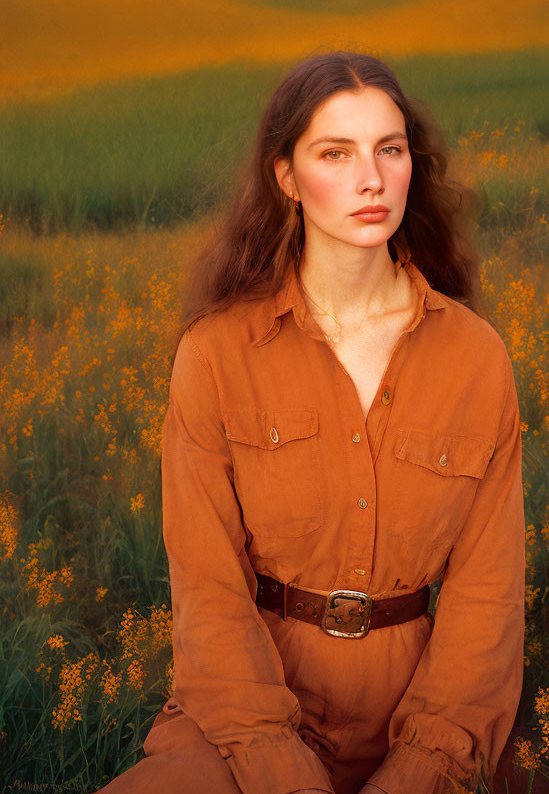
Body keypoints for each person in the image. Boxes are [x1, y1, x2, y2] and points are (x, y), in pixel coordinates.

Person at [96, 50, 525, 794]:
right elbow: (208, 591)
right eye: (336, 153)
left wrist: (424, 767)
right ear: (287, 177)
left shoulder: (476, 358)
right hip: (243, 721)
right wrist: (277, 765)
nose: (371, 178)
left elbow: (488, 598)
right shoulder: (217, 355)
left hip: (420, 721)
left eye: (389, 150)